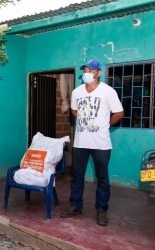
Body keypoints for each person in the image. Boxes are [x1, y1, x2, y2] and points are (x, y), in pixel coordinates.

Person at [60, 59, 124, 226]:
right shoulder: (77, 92)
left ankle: (101, 210)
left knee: (102, 178)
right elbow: (74, 110)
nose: (87, 73)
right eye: (85, 70)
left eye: (91, 70)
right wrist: (83, 120)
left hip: (101, 143)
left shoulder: (108, 91)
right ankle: (75, 206)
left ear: (98, 73)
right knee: (77, 176)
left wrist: (106, 124)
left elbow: (119, 113)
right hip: (81, 142)